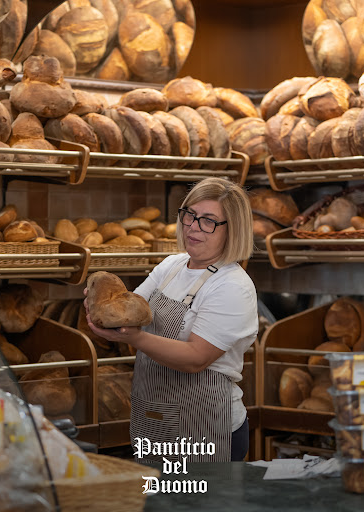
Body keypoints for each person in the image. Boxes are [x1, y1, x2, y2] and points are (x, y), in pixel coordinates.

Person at [85, 177, 258, 463]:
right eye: (189, 215)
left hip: (204, 427)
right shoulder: (171, 266)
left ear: (233, 229)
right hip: (154, 421)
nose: (193, 227)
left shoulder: (232, 286)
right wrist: (101, 302)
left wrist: (136, 338)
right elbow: (126, 311)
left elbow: (196, 358)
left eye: (208, 221)